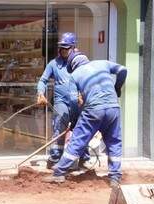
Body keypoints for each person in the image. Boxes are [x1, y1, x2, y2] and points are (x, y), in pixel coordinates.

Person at [45, 52, 127, 188]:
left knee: (77, 141)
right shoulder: (103, 63)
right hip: (113, 108)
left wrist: (74, 119)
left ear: (73, 65)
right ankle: (115, 177)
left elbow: (72, 100)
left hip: (93, 110)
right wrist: (117, 87)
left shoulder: (75, 75)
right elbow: (123, 70)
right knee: (114, 142)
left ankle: (59, 173)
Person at [37, 32, 89, 169]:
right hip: (61, 101)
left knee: (81, 128)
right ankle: (55, 158)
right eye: (62, 47)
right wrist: (40, 93)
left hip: (78, 102)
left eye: (67, 48)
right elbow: (43, 80)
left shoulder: (79, 62)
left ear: (73, 47)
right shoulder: (53, 64)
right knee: (60, 126)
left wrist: (83, 94)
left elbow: (87, 79)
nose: (64, 50)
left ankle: (84, 158)